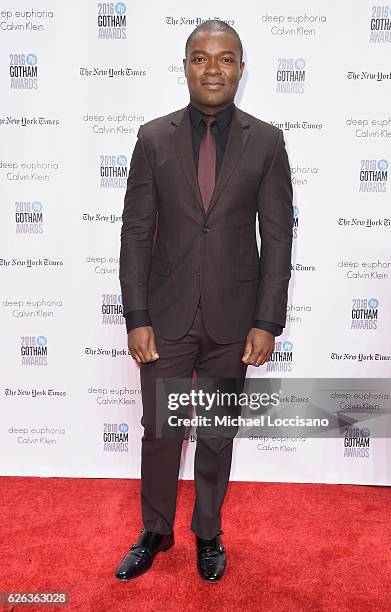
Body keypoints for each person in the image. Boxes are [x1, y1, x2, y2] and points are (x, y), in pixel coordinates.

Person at [116, 19, 293, 582]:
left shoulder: (266, 139)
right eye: (200, 57)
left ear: (241, 67)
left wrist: (267, 320)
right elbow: (135, 231)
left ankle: (209, 532)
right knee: (160, 430)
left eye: (225, 58)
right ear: (185, 66)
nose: (212, 68)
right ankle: (156, 529)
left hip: (233, 319)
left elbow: (278, 235)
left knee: (217, 434)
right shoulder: (153, 137)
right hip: (164, 317)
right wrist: (137, 315)